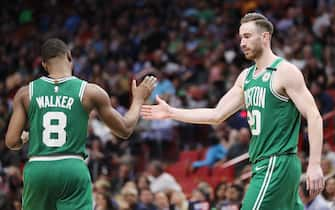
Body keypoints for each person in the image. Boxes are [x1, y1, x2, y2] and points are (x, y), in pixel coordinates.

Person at [141, 13, 324, 210]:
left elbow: (313, 115)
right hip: (264, 164)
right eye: (240, 37)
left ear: (265, 37)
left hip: (276, 162)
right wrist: (172, 112)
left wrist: (314, 164)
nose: (242, 43)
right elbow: (216, 114)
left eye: (247, 36)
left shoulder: (285, 72)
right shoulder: (246, 77)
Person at [5, 38, 156, 210]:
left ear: (44, 65)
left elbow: (11, 141)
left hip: (38, 167)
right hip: (72, 166)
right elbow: (125, 129)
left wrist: (24, 138)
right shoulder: (90, 91)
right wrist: (137, 100)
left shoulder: (25, 93)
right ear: (69, 56)